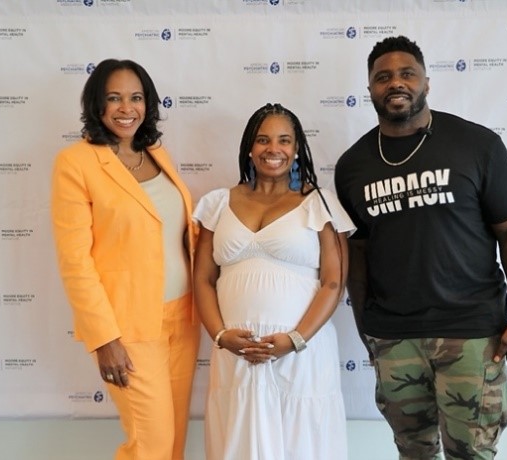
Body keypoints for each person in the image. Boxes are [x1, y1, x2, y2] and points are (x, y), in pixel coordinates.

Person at [334, 36, 507, 460]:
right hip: (394, 338)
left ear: (426, 81)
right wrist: (365, 329)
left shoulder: (476, 145)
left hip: (471, 334)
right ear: (369, 88)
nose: (396, 83)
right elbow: (358, 253)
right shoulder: (353, 166)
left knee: (472, 454)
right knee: (413, 454)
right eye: (383, 76)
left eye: (407, 73)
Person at [50, 58, 200, 460]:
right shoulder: (76, 163)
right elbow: (75, 261)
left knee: (173, 442)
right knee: (149, 444)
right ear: (97, 104)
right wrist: (105, 340)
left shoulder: (156, 153)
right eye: (114, 98)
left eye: (135, 98)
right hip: (128, 328)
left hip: (182, 319)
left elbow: (174, 232)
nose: (126, 108)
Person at [192, 103, 354, 460]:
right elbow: (202, 279)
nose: (273, 149)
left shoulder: (320, 202)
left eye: (284, 140)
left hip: (301, 354)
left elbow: (333, 282)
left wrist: (294, 341)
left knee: (301, 445)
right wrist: (220, 336)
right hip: (236, 355)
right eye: (263, 139)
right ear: (249, 147)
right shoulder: (218, 203)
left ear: (297, 149)